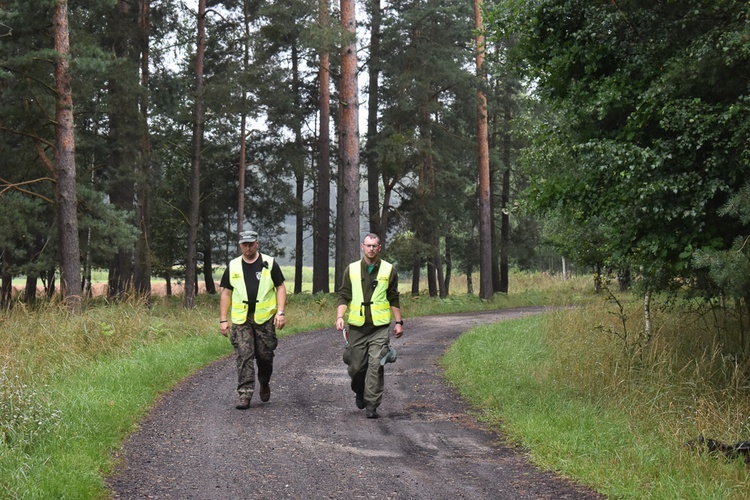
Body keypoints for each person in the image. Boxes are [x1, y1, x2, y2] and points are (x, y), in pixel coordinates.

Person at [336, 233, 404, 419]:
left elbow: (393, 297)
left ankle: (372, 405)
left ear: (379, 248)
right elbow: (344, 295)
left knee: (376, 364)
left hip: (379, 328)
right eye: (368, 245)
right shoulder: (352, 269)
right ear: (362, 247)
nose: (371, 249)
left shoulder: (389, 270)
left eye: (375, 246)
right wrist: (340, 316)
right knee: (356, 367)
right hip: (357, 327)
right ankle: (359, 389)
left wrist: (398, 322)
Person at [219, 230, 286, 410]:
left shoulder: (269, 263)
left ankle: (264, 381)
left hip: (264, 318)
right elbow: (226, 292)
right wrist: (223, 320)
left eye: (251, 244)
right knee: (244, 355)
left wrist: (280, 312)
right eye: (244, 244)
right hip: (242, 319)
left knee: (265, 355)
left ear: (257, 243)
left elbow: (280, 287)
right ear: (240, 245)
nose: (247, 248)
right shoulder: (233, 266)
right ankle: (245, 393)